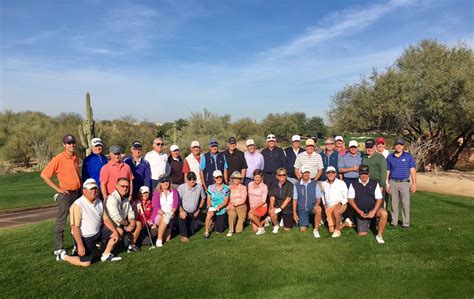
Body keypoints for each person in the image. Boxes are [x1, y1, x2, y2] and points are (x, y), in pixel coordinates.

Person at [57, 179, 121, 266]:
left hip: (97, 233)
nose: (94, 191)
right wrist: (80, 245)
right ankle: (63, 256)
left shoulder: (99, 202)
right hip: (84, 237)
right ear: (84, 191)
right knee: (86, 263)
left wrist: (115, 232)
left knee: (118, 231)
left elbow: (106, 220)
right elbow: (75, 228)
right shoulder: (78, 205)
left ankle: (105, 255)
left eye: (95, 188)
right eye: (91, 189)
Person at [41, 134, 82, 259]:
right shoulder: (59, 158)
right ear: (64, 145)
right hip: (66, 194)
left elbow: (76, 174)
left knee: (78, 221)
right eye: (69, 143)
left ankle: (77, 244)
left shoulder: (76, 157)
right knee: (61, 221)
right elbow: (44, 175)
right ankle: (58, 249)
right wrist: (58, 189)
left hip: (77, 193)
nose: (71, 145)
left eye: (73, 142)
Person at [348, 165, 388, 244]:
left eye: (366, 173)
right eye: (362, 173)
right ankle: (370, 223)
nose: (364, 175)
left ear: (369, 174)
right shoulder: (353, 184)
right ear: (359, 173)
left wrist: (373, 211)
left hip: (373, 210)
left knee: (384, 213)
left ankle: (379, 235)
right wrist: (359, 211)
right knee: (362, 234)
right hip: (361, 212)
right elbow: (350, 200)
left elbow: (379, 199)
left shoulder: (374, 183)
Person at [386, 137, 417, 228]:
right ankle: (394, 222)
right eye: (397, 144)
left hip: (404, 183)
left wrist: (414, 183)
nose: (399, 146)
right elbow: (387, 171)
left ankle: (405, 223)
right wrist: (387, 183)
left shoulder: (408, 157)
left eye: (401, 145)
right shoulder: (389, 157)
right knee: (394, 204)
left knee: (405, 204)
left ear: (403, 146)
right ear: (394, 146)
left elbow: (413, 170)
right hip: (393, 182)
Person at [105, 177, 139, 253]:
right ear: (116, 186)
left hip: (123, 224)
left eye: (127, 187)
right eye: (122, 186)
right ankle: (107, 252)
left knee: (138, 223)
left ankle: (131, 246)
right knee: (120, 231)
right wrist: (127, 224)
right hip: (112, 225)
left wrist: (132, 220)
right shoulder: (112, 198)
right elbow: (116, 218)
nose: (125, 189)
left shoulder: (125, 198)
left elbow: (130, 212)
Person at [320, 166, 352, 237]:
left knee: (336, 211)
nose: (330, 174)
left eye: (332, 172)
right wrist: (324, 204)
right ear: (326, 174)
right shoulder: (324, 184)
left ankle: (337, 231)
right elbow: (323, 195)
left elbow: (347, 196)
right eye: (328, 173)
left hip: (341, 204)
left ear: (335, 174)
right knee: (331, 230)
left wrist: (341, 203)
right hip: (329, 207)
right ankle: (345, 223)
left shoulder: (341, 183)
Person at [292, 166, 323, 238]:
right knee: (302, 229)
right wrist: (294, 213)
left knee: (318, 209)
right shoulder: (297, 185)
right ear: (301, 174)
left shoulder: (315, 184)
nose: (306, 174)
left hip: (312, 207)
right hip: (302, 209)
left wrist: (317, 205)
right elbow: (295, 199)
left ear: (309, 174)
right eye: (304, 173)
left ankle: (316, 230)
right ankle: (308, 220)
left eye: (307, 173)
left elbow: (318, 198)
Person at [177, 172, 206, 242]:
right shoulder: (181, 187)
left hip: (194, 212)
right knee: (181, 217)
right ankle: (183, 236)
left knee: (192, 233)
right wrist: (181, 210)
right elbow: (177, 200)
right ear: (186, 179)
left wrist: (199, 209)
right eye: (190, 179)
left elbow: (203, 198)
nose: (192, 181)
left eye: (194, 179)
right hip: (184, 211)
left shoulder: (199, 187)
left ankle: (183, 230)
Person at [151, 175, 179, 247]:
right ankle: (159, 240)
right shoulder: (157, 192)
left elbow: (175, 204)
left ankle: (160, 233)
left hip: (170, 215)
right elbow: (157, 208)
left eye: (167, 181)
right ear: (160, 183)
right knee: (165, 219)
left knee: (167, 239)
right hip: (159, 215)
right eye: (163, 181)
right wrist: (165, 214)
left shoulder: (174, 191)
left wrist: (171, 213)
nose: (165, 183)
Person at [203, 170, 230, 239]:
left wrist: (218, 207)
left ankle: (214, 223)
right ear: (214, 178)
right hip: (212, 207)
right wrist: (210, 208)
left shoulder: (226, 188)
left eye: (220, 177)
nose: (219, 179)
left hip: (221, 208)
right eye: (217, 177)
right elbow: (208, 200)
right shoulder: (210, 187)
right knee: (209, 214)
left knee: (219, 231)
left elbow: (225, 202)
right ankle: (206, 232)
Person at [268, 168, 294, 233]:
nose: (282, 176)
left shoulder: (290, 185)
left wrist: (280, 209)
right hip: (277, 206)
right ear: (277, 176)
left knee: (287, 229)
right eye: (280, 175)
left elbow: (288, 199)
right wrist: (272, 208)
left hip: (287, 208)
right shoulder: (273, 185)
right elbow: (272, 197)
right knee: (271, 211)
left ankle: (282, 219)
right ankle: (276, 225)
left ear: (286, 176)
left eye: (284, 175)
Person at [226, 171, 248, 237]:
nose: (237, 180)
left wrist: (234, 204)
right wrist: (229, 205)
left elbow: (243, 200)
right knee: (232, 214)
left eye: (238, 178)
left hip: (241, 206)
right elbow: (226, 198)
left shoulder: (243, 187)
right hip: (231, 206)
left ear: (240, 179)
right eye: (235, 178)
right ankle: (231, 230)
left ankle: (237, 224)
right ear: (232, 179)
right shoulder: (228, 187)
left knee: (238, 230)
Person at [247, 169, 268, 235]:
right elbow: (248, 195)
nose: (257, 179)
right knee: (254, 230)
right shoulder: (250, 184)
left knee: (250, 215)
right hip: (253, 207)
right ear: (253, 177)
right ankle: (264, 221)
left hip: (261, 207)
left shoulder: (264, 187)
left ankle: (261, 228)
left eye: (259, 177)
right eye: (256, 177)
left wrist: (253, 209)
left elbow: (263, 201)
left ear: (261, 177)